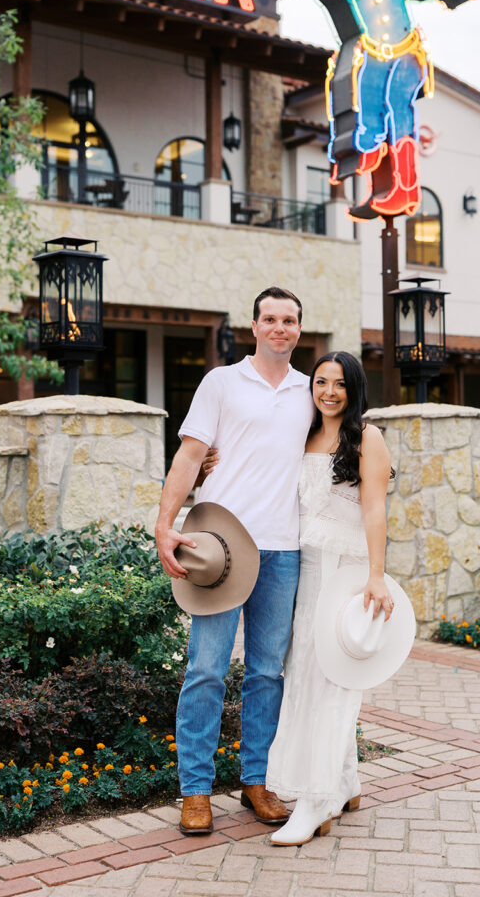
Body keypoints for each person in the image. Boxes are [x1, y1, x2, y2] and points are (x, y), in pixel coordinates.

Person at [154, 286, 314, 835]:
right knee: (206, 670)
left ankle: (256, 782)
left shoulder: (308, 391)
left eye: (289, 320)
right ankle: (195, 791)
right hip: (219, 547)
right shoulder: (221, 382)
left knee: (267, 672)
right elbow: (190, 455)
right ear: (254, 326)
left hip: (284, 549)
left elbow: (337, 448)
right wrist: (165, 524)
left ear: (299, 329)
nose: (279, 328)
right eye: (270, 318)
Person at [265, 350, 394, 845]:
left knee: (331, 682)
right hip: (304, 569)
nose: (329, 392)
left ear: (354, 388)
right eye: (321, 382)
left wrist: (377, 576)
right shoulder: (303, 434)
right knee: (305, 676)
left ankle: (315, 803)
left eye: (340, 383)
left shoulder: (367, 437)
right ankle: (344, 782)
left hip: (346, 573)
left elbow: (375, 510)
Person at [296, 0, 480, 217]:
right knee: (365, 107)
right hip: (369, 52)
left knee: (399, 109)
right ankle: (365, 153)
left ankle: (404, 188)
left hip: (406, 51)